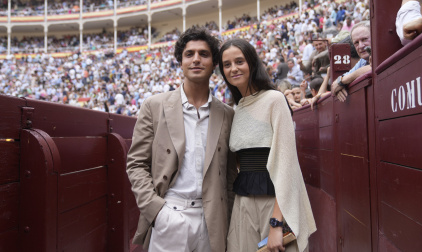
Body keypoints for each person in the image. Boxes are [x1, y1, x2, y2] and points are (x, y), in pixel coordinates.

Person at [126, 27, 237, 252]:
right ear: (181, 61)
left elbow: (229, 176)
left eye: (204, 54)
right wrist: (156, 210)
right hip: (169, 212)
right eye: (189, 54)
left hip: (212, 219)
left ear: (214, 63)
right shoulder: (154, 106)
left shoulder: (227, 113)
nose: (196, 59)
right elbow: (136, 164)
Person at [219, 38, 316, 252]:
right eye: (227, 64)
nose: (233, 68)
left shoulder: (274, 99)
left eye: (239, 61)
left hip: (274, 204)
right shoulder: (236, 109)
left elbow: (287, 163)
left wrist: (276, 223)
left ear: (252, 64)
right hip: (242, 205)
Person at [331, 21, 372, 102]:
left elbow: (374, 67)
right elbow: (334, 85)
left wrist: (343, 81)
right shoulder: (363, 61)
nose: (360, 46)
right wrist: (339, 83)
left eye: (364, 39)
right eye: (356, 42)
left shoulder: (382, 51)